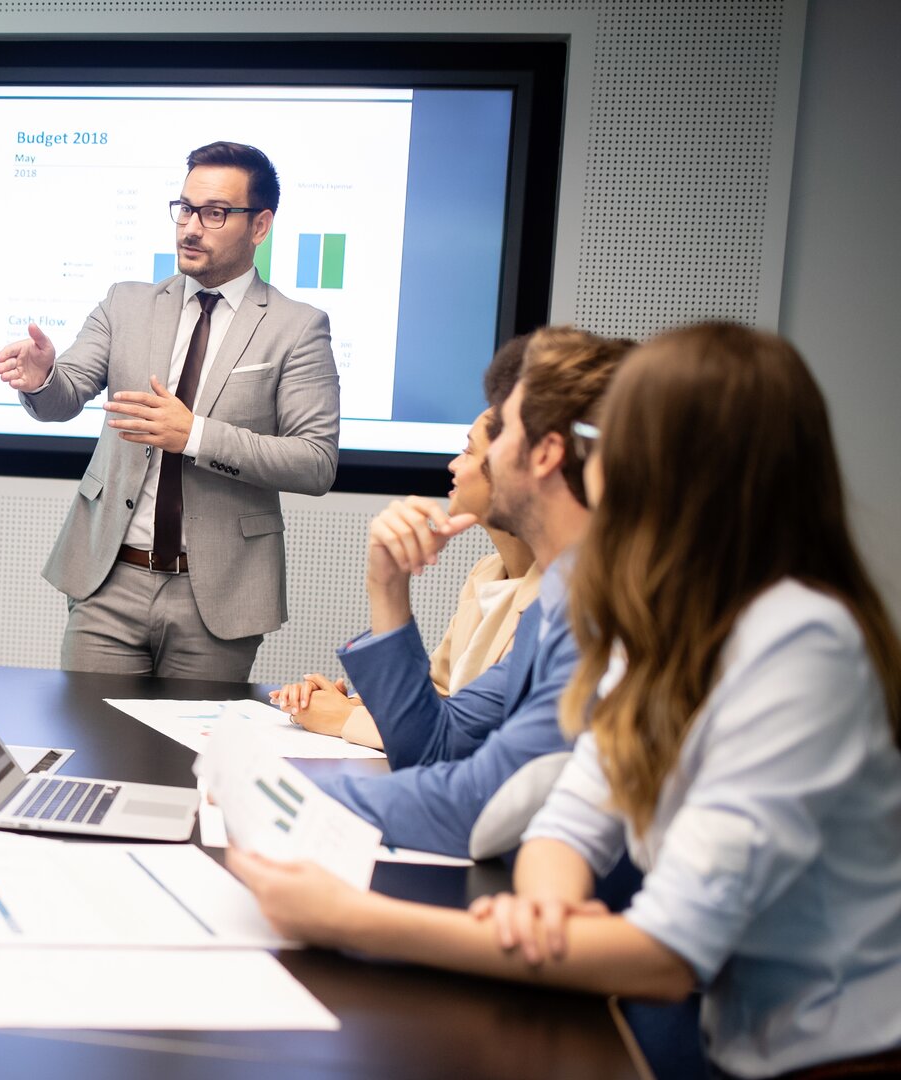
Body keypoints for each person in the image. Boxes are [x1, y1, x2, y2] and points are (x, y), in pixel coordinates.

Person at [231, 322, 901, 1079]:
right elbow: (573, 814)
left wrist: (361, 922)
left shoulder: (798, 644)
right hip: (717, 1036)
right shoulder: (664, 617)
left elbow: (666, 955)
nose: (593, 461)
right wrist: (545, 900)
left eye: (612, 440)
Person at [0, 141, 339, 682]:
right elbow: (67, 394)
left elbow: (315, 462)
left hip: (217, 596)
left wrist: (195, 435)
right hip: (109, 581)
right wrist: (42, 380)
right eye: (184, 208)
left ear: (260, 225)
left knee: (190, 765)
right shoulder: (125, 304)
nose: (191, 227)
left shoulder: (297, 327)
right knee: (91, 746)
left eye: (215, 212)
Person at [311, 327, 630, 858]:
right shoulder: (559, 600)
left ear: (546, 454)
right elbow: (434, 748)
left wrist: (277, 795)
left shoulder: (600, 615)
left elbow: (475, 802)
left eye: (498, 432)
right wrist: (387, 587)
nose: (469, 460)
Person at [272, 336, 540, 749]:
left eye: (468, 452)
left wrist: (346, 720)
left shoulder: (559, 606)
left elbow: (465, 739)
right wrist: (356, 705)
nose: (453, 465)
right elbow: (437, 694)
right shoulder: (487, 573)